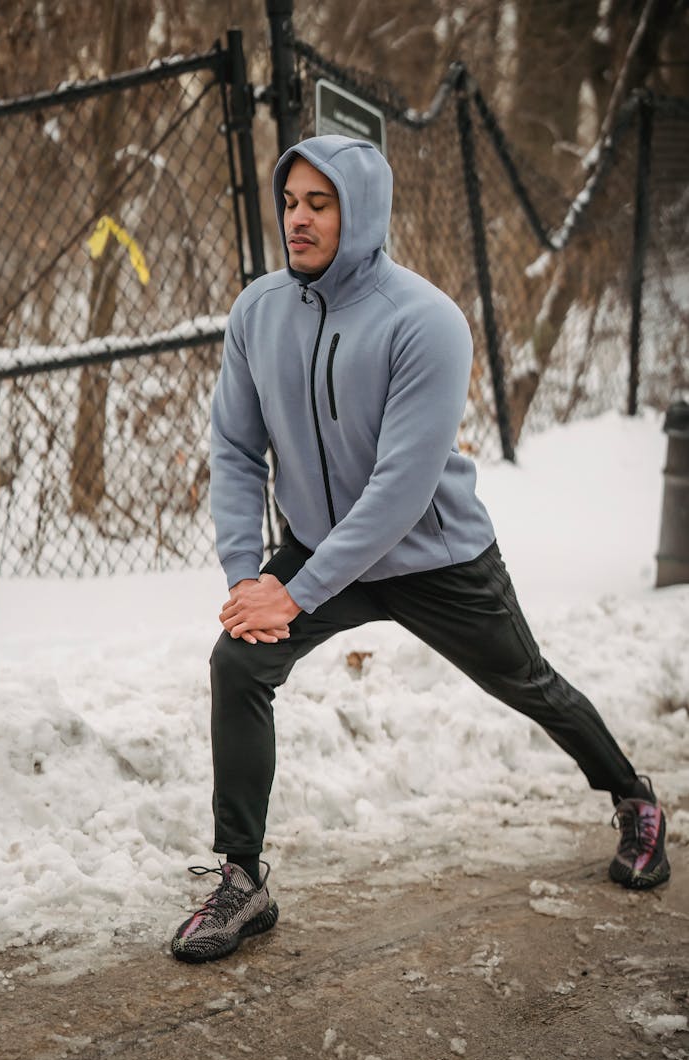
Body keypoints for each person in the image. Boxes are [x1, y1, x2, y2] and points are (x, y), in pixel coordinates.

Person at [171, 134, 670, 965]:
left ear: (359, 212)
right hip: (320, 549)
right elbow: (233, 448)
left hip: (434, 555)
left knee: (529, 681)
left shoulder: (425, 320)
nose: (298, 218)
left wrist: (295, 592)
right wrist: (248, 578)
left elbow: (400, 491)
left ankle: (633, 797)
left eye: (319, 204)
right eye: (290, 202)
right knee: (239, 661)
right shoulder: (257, 312)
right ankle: (242, 876)